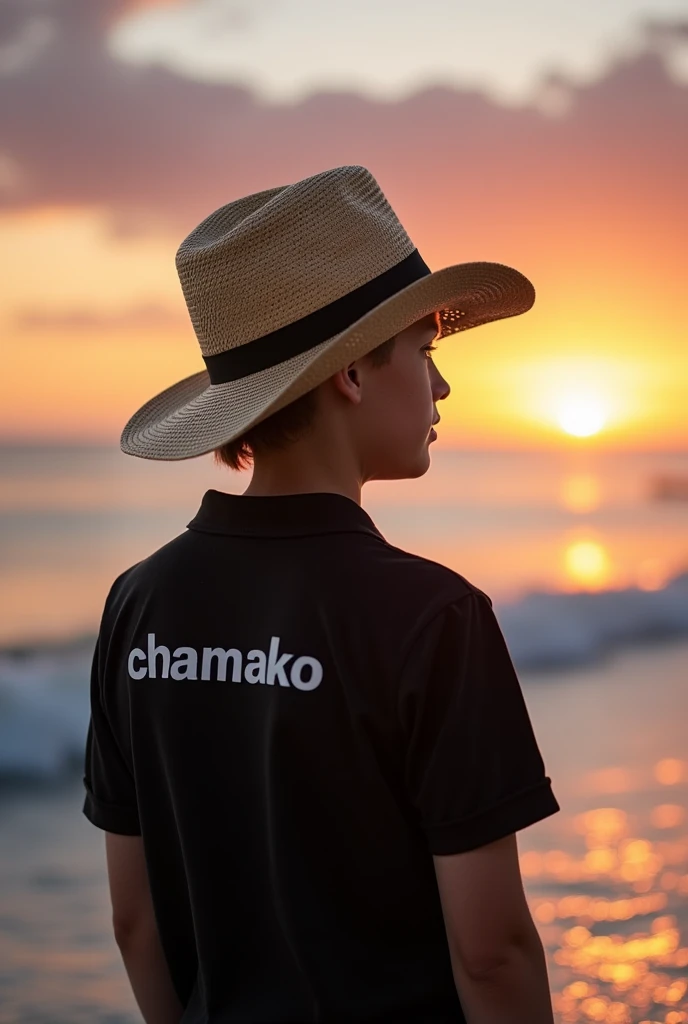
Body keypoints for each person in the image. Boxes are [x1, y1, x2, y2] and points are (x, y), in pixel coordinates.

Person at [83, 164, 559, 1024]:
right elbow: (492, 954)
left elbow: (135, 920)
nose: (442, 386)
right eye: (425, 352)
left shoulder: (138, 603)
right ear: (350, 375)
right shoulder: (432, 618)